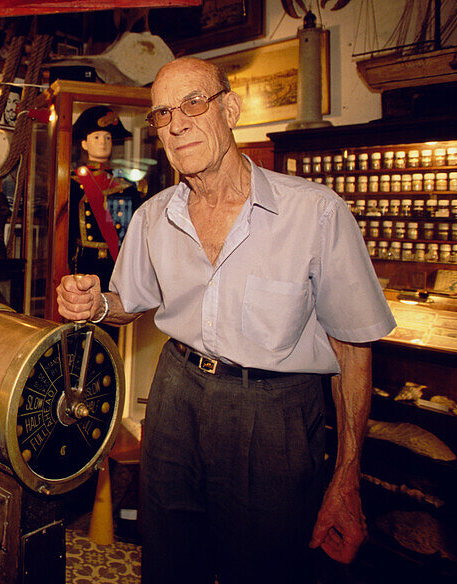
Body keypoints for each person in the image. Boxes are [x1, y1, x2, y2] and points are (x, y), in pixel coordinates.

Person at [56, 57, 395, 584]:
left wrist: (347, 475)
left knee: (265, 565)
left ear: (230, 109)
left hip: (275, 413)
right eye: (162, 112)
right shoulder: (153, 216)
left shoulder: (315, 212)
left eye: (193, 103)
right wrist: (95, 304)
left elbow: (352, 349)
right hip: (175, 397)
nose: (176, 122)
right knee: (168, 558)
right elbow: (129, 301)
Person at [67, 105, 145, 292]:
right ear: (84, 144)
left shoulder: (126, 183)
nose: (103, 142)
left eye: (107, 137)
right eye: (96, 137)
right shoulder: (72, 182)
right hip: (85, 259)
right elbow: (67, 228)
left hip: (115, 260)